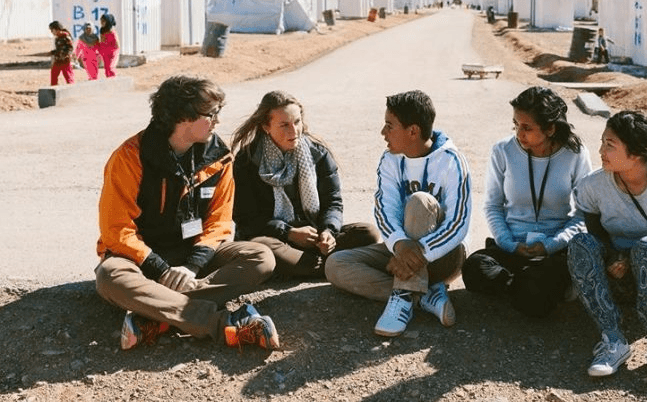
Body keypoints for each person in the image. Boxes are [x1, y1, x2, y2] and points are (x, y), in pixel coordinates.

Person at [94, 75, 279, 351]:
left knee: (261, 257)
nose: (217, 121)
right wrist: (161, 269)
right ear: (182, 117)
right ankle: (222, 323)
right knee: (109, 277)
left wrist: (190, 267)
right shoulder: (130, 156)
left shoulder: (219, 156)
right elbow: (116, 229)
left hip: (191, 257)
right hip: (142, 260)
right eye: (211, 114)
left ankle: (157, 314)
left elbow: (220, 221)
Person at [567, 110, 647, 392]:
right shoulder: (593, 186)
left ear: (635, 154)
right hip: (616, 281)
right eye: (602, 142)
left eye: (610, 145)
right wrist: (615, 259)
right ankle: (613, 340)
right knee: (580, 243)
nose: (601, 150)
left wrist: (629, 258)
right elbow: (596, 238)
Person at [325, 90, 471, 337]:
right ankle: (424, 295)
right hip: (402, 250)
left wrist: (421, 252)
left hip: (444, 254)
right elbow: (384, 209)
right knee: (335, 265)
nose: (383, 133)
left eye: (389, 126)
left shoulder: (451, 160)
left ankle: (403, 296)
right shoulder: (390, 159)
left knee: (419, 201)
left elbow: (458, 223)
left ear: (413, 131)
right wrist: (400, 244)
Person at [461, 86, 592, 317]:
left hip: (555, 251)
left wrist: (551, 244)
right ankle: (526, 287)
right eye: (515, 125)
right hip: (512, 248)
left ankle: (524, 287)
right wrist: (510, 244)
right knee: (473, 267)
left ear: (550, 128)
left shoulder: (576, 154)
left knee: (539, 289)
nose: (519, 134)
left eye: (526, 128)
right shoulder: (502, 150)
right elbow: (492, 205)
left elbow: (584, 214)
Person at [232, 91, 381, 279]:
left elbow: (332, 202)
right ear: (265, 126)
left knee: (369, 233)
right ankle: (333, 263)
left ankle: (313, 264)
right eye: (284, 125)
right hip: (275, 238)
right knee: (265, 249)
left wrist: (329, 231)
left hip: (313, 234)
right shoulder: (247, 161)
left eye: (297, 122)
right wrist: (289, 232)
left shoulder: (317, 154)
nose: (294, 131)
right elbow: (245, 217)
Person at [48, 20, 75, 86]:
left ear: (57, 29)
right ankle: (54, 89)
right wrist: (52, 53)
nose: (52, 32)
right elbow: (58, 50)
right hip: (58, 60)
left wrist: (67, 56)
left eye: (52, 30)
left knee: (68, 76)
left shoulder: (66, 36)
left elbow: (70, 48)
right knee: (54, 74)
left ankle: (71, 89)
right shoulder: (57, 38)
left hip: (66, 60)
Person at [98, 13, 119, 78]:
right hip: (105, 52)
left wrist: (113, 52)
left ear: (108, 22)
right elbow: (102, 41)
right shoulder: (102, 30)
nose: (102, 22)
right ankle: (110, 85)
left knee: (111, 68)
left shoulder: (112, 32)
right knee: (107, 70)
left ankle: (115, 82)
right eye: (101, 21)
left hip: (112, 52)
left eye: (103, 21)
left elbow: (117, 45)